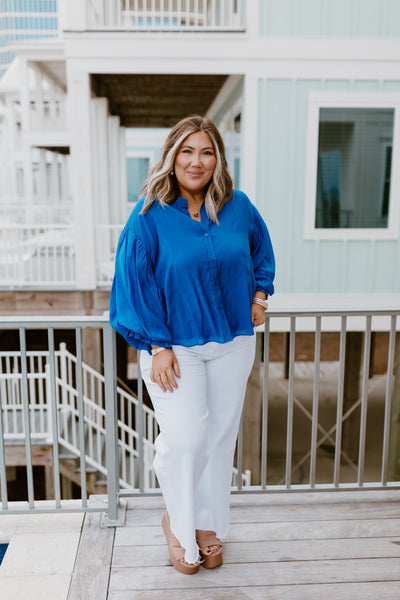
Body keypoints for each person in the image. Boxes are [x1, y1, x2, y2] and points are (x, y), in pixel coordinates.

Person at [110, 115, 275, 575]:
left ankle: (206, 525)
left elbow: (261, 252)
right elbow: (132, 284)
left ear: (218, 158)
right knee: (186, 439)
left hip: (233, 343)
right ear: (171, 157)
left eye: (206, 152)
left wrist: (260, 296)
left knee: (220, 440)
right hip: (174, 349)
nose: (196, 161)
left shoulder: (239, 206)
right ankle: (178, 524)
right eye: (187, 151)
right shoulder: (148, 216)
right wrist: (156, 345)